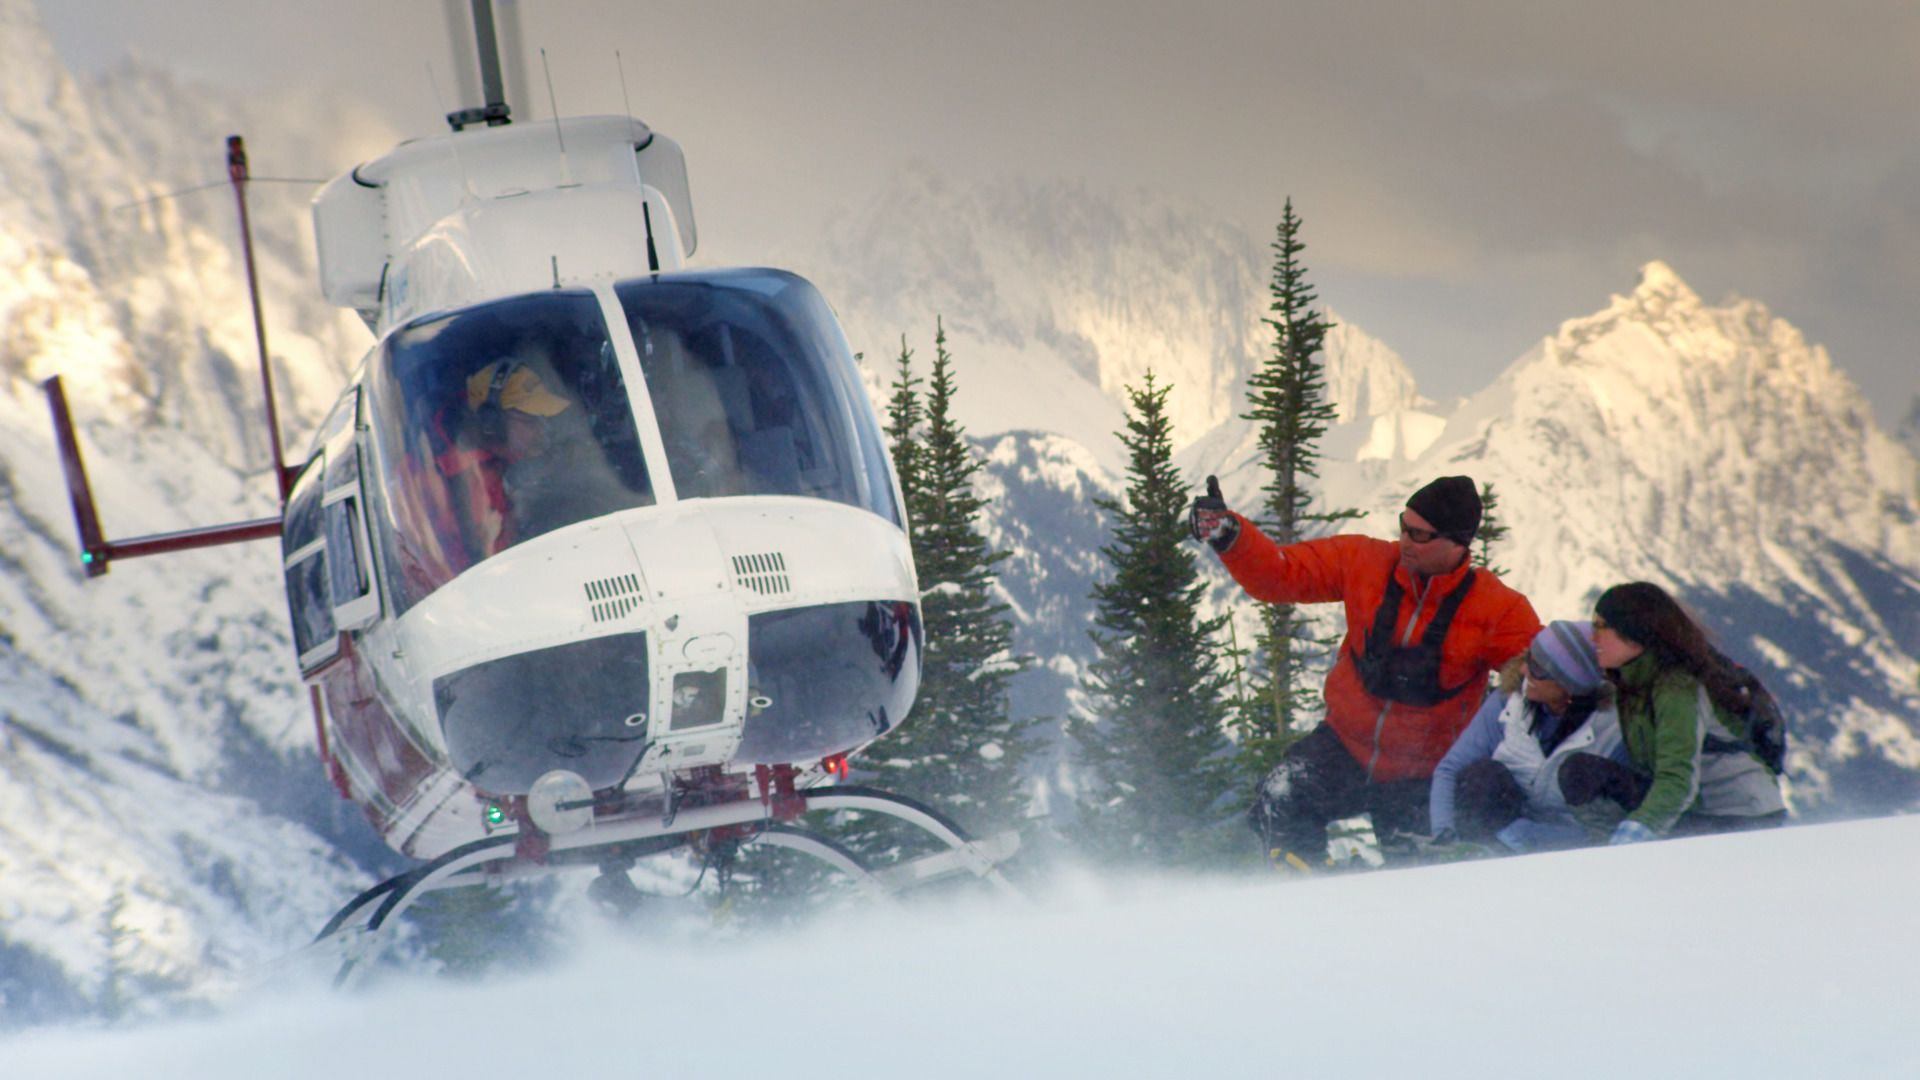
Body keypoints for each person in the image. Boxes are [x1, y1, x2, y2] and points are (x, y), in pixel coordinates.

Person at [1189, 474, 1542, 870]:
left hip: (1426, 773)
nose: (1405, 540)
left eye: (1419, 535)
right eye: (1404, 526)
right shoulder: (1365, 562)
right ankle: (1300, 889)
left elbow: (1546, 675)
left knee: (1417, 874)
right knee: (1282, 796)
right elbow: (1281, 574)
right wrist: (1231, 536)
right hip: (1346, 747)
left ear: (1458, 542)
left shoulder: (1497, 609)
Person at [1557, 581, 1786, 843]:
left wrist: (1636, 832)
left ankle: (1619, 855)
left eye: (1601, 626)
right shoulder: (1632, 683)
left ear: (1634, 632)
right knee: (1581, 772)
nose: (1593, 637)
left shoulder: (1678, 689)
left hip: (1739, 816)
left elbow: (1678, 778)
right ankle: (1606, 851)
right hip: (1695, 808)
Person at [1428, 620, 1622, 853]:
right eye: (1529, 657)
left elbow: (1615, 823)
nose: (1524, 670)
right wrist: (1445, 834)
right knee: (1480, 776)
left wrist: (1531, 837)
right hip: (1502, 836)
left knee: (1580, 769)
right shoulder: (1508, 702)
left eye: (1538, 669)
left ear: (1570, 686)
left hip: (1572, 848)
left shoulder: (1613, 729)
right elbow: (1450, 769)